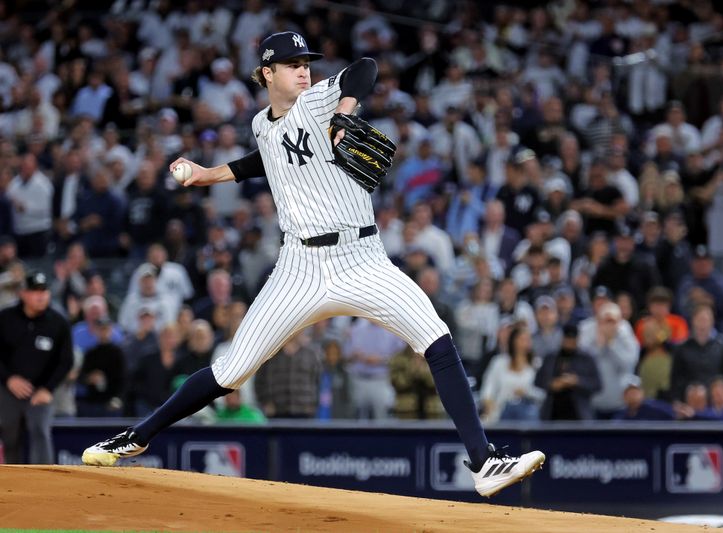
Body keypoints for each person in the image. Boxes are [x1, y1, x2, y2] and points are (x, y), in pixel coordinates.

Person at [82, 32, 544, 497]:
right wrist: (208, 174)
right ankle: (136, 437)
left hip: (361, 257)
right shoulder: (262, 123)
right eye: (291, 63)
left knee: (437, 339)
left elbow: (365, 66)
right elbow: (264, 157)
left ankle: (483, 463)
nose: (303, 69)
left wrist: (344, 112)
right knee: (231, 371)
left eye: (306, 62)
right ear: (267, 73)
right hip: (298, 266)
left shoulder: (320, 99)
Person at [0, 271, 73, 463]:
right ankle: (11, 483)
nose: (40, 295)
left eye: (44, 291)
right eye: (34, 291)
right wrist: (8, 378)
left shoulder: (58, 323)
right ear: (23, 294)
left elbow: (66, 360)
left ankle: (44, 481)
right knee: (9, 435)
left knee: (40, 430)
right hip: (8, 389)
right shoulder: (5, 318)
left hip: (41, 390)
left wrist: (48, 389)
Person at [535, 324, 601, 421]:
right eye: (567, 338)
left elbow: (597, 384)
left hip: (579, 414)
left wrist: (577, 381)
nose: (570, 342)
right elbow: (538, 381)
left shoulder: (586, 358)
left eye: (573, 339)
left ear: (578, 339)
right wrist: (552, 384)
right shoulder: (551, 357)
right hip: (552, 413)